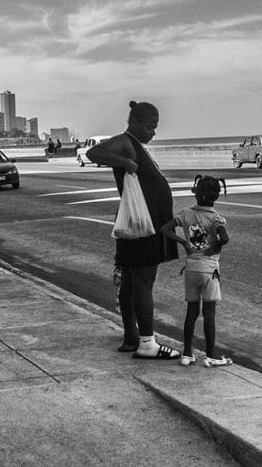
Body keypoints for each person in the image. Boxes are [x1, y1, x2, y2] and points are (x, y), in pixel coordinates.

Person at [87, 100, 180, 360]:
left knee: (130, 282)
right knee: (143, 281)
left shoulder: (136, 144)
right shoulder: (126, 141)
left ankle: (131, 337)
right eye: (151, 127)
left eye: (155, 127)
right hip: (142, 226)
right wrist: (126, 163)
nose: (153, 132)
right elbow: (93, 154)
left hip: (143, 224)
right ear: (136, 123)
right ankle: (147, 343)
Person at [161, 175, 233, 368]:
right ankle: (210, 355)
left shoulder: (185, 214)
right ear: (216, 197)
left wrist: (184, 242)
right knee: (209, 314)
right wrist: (214, 247)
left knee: (191, 312)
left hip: (191, 269)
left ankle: (187, 353)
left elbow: (165, 229)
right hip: (209, 270)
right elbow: (224, 238)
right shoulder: (216, 218)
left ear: (196, 193)